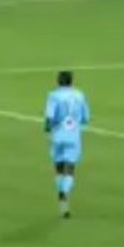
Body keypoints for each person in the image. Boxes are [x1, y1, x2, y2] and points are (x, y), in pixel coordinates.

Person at [44, 71, 89, 219]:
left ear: (58, 81)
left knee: (58, 169)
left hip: (58, 136)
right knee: (69, 170)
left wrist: (48, 130)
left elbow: (49, 118)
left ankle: (61, 197)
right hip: (73, 137)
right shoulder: (80, 95)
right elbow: (86, 118)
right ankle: (65, 193)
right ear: (71, 81)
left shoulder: (53, 96)